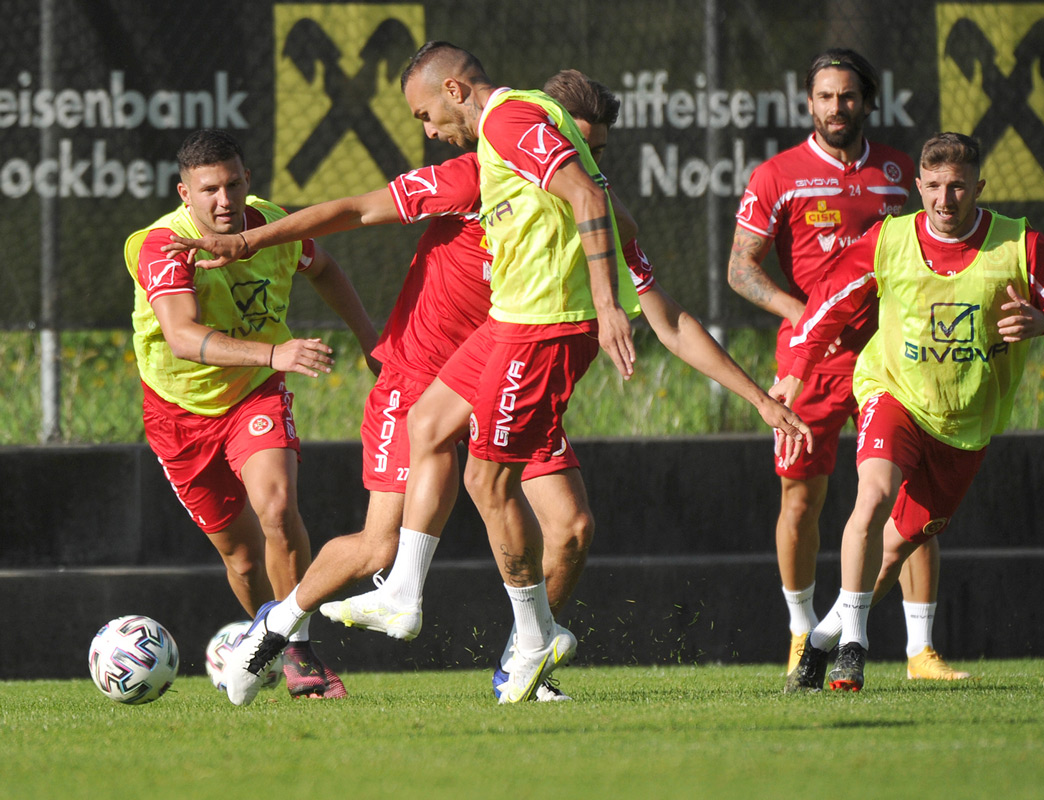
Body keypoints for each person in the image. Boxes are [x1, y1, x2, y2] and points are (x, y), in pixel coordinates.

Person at [168, 67, 806, 705]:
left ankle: (521, 661)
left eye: (596, 153)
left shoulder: (595, 215)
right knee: (383, 538)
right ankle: (276, 629)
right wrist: (247, 241)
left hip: (517, 355)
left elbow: (669, 319)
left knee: (573, 527)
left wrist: (757, 398)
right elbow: (357, 209)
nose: (584, 163)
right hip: (430, 370)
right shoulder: (482, 168)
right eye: (574, 145)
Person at [774, 131, 1044, 692]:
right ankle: (855, 647)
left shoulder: (1019, 246)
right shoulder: (890, 239)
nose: (945, 200)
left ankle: (822, 641)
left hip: (964, 422)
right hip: (892, 392)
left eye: (957, 188)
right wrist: (795, 369)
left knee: (896, 547)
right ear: (918, 186)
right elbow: (831, 300)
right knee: (872, 497)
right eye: (933, 187)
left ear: (979, 187)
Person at [728, 48, 968, 691]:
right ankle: (802, 630)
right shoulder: (776, 175)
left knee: (910, 499)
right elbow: (741, 270)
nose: (838, 107)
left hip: (893, 359)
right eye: (826, 96)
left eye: (849, 96)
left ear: (868, 100)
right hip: (808, 366)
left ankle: (920, 649)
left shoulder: (898, 171)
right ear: (809, 103)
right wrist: (807, 313)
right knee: (801, 498)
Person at [122, 129, 380, 699]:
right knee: (241, 560)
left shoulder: (272, 225)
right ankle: (268, 633)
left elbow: (325, 267)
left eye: (233, 184)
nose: (224, 200)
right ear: (184, 193)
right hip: (178, 413)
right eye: (209, 188)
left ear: (248, 181)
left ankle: (297, 652)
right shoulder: (162, 244)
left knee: (279, 505)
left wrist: (370, 340)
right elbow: (183, 336)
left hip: (255, 395)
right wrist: (276, 350)